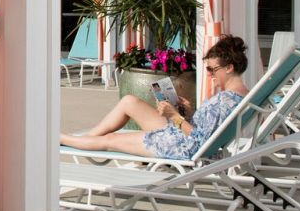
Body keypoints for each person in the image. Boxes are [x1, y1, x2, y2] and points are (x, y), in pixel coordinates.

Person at [60, 35, 250, 159]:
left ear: (229, 68)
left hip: (181, 145)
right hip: (179, 135)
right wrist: (190, 113)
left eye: (212, 69)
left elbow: (201, 142)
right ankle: (86, 140)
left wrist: (174, 116)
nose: (209, 74)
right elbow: (208, 131)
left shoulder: (224, 101)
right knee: (129, 102)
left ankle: (63, 139)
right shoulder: (240, 96)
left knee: (111, 140)